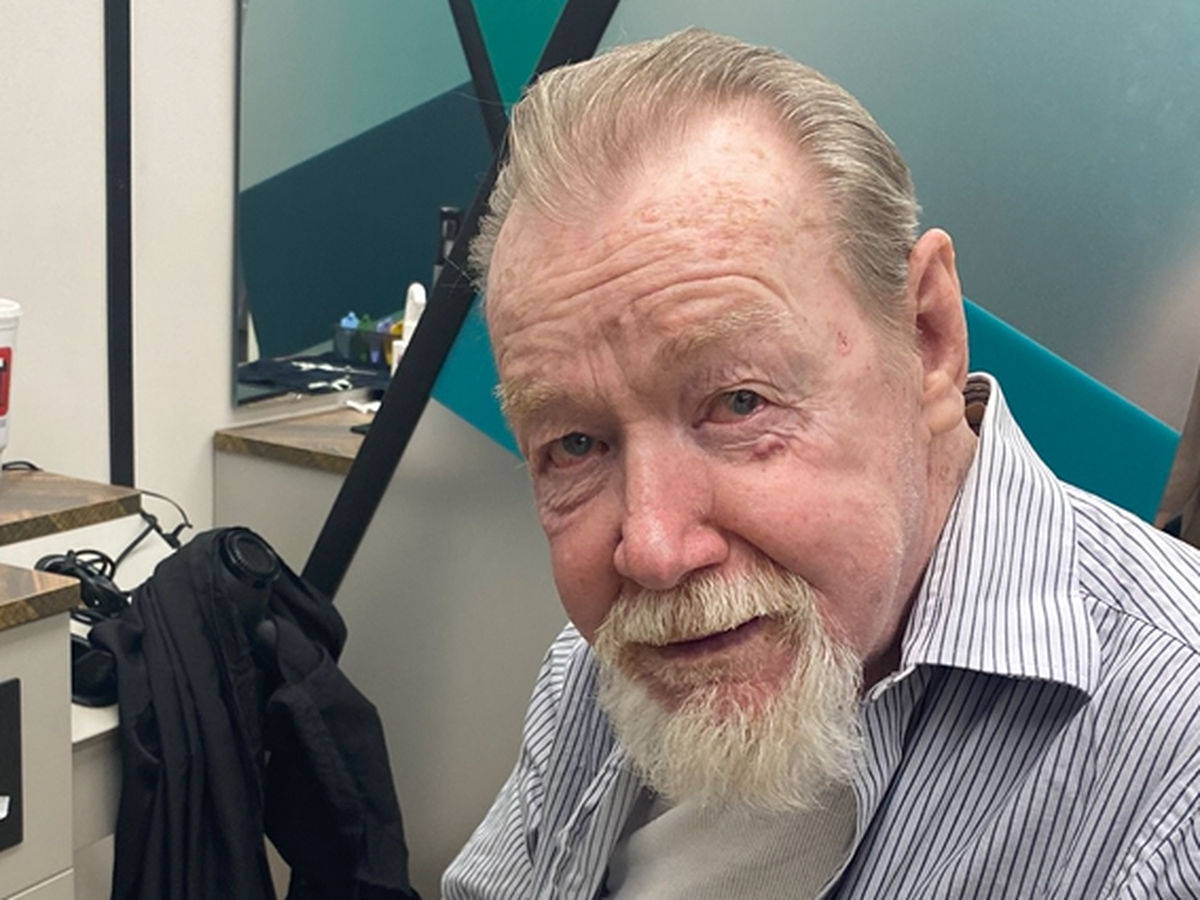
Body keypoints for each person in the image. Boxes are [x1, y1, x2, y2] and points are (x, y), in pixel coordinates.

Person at [443, 28, 1200, 899]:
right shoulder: (606, 672)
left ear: (927, 338)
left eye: (739, 403)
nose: (652, 550)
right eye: (574, 445)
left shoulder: (1176, 778)